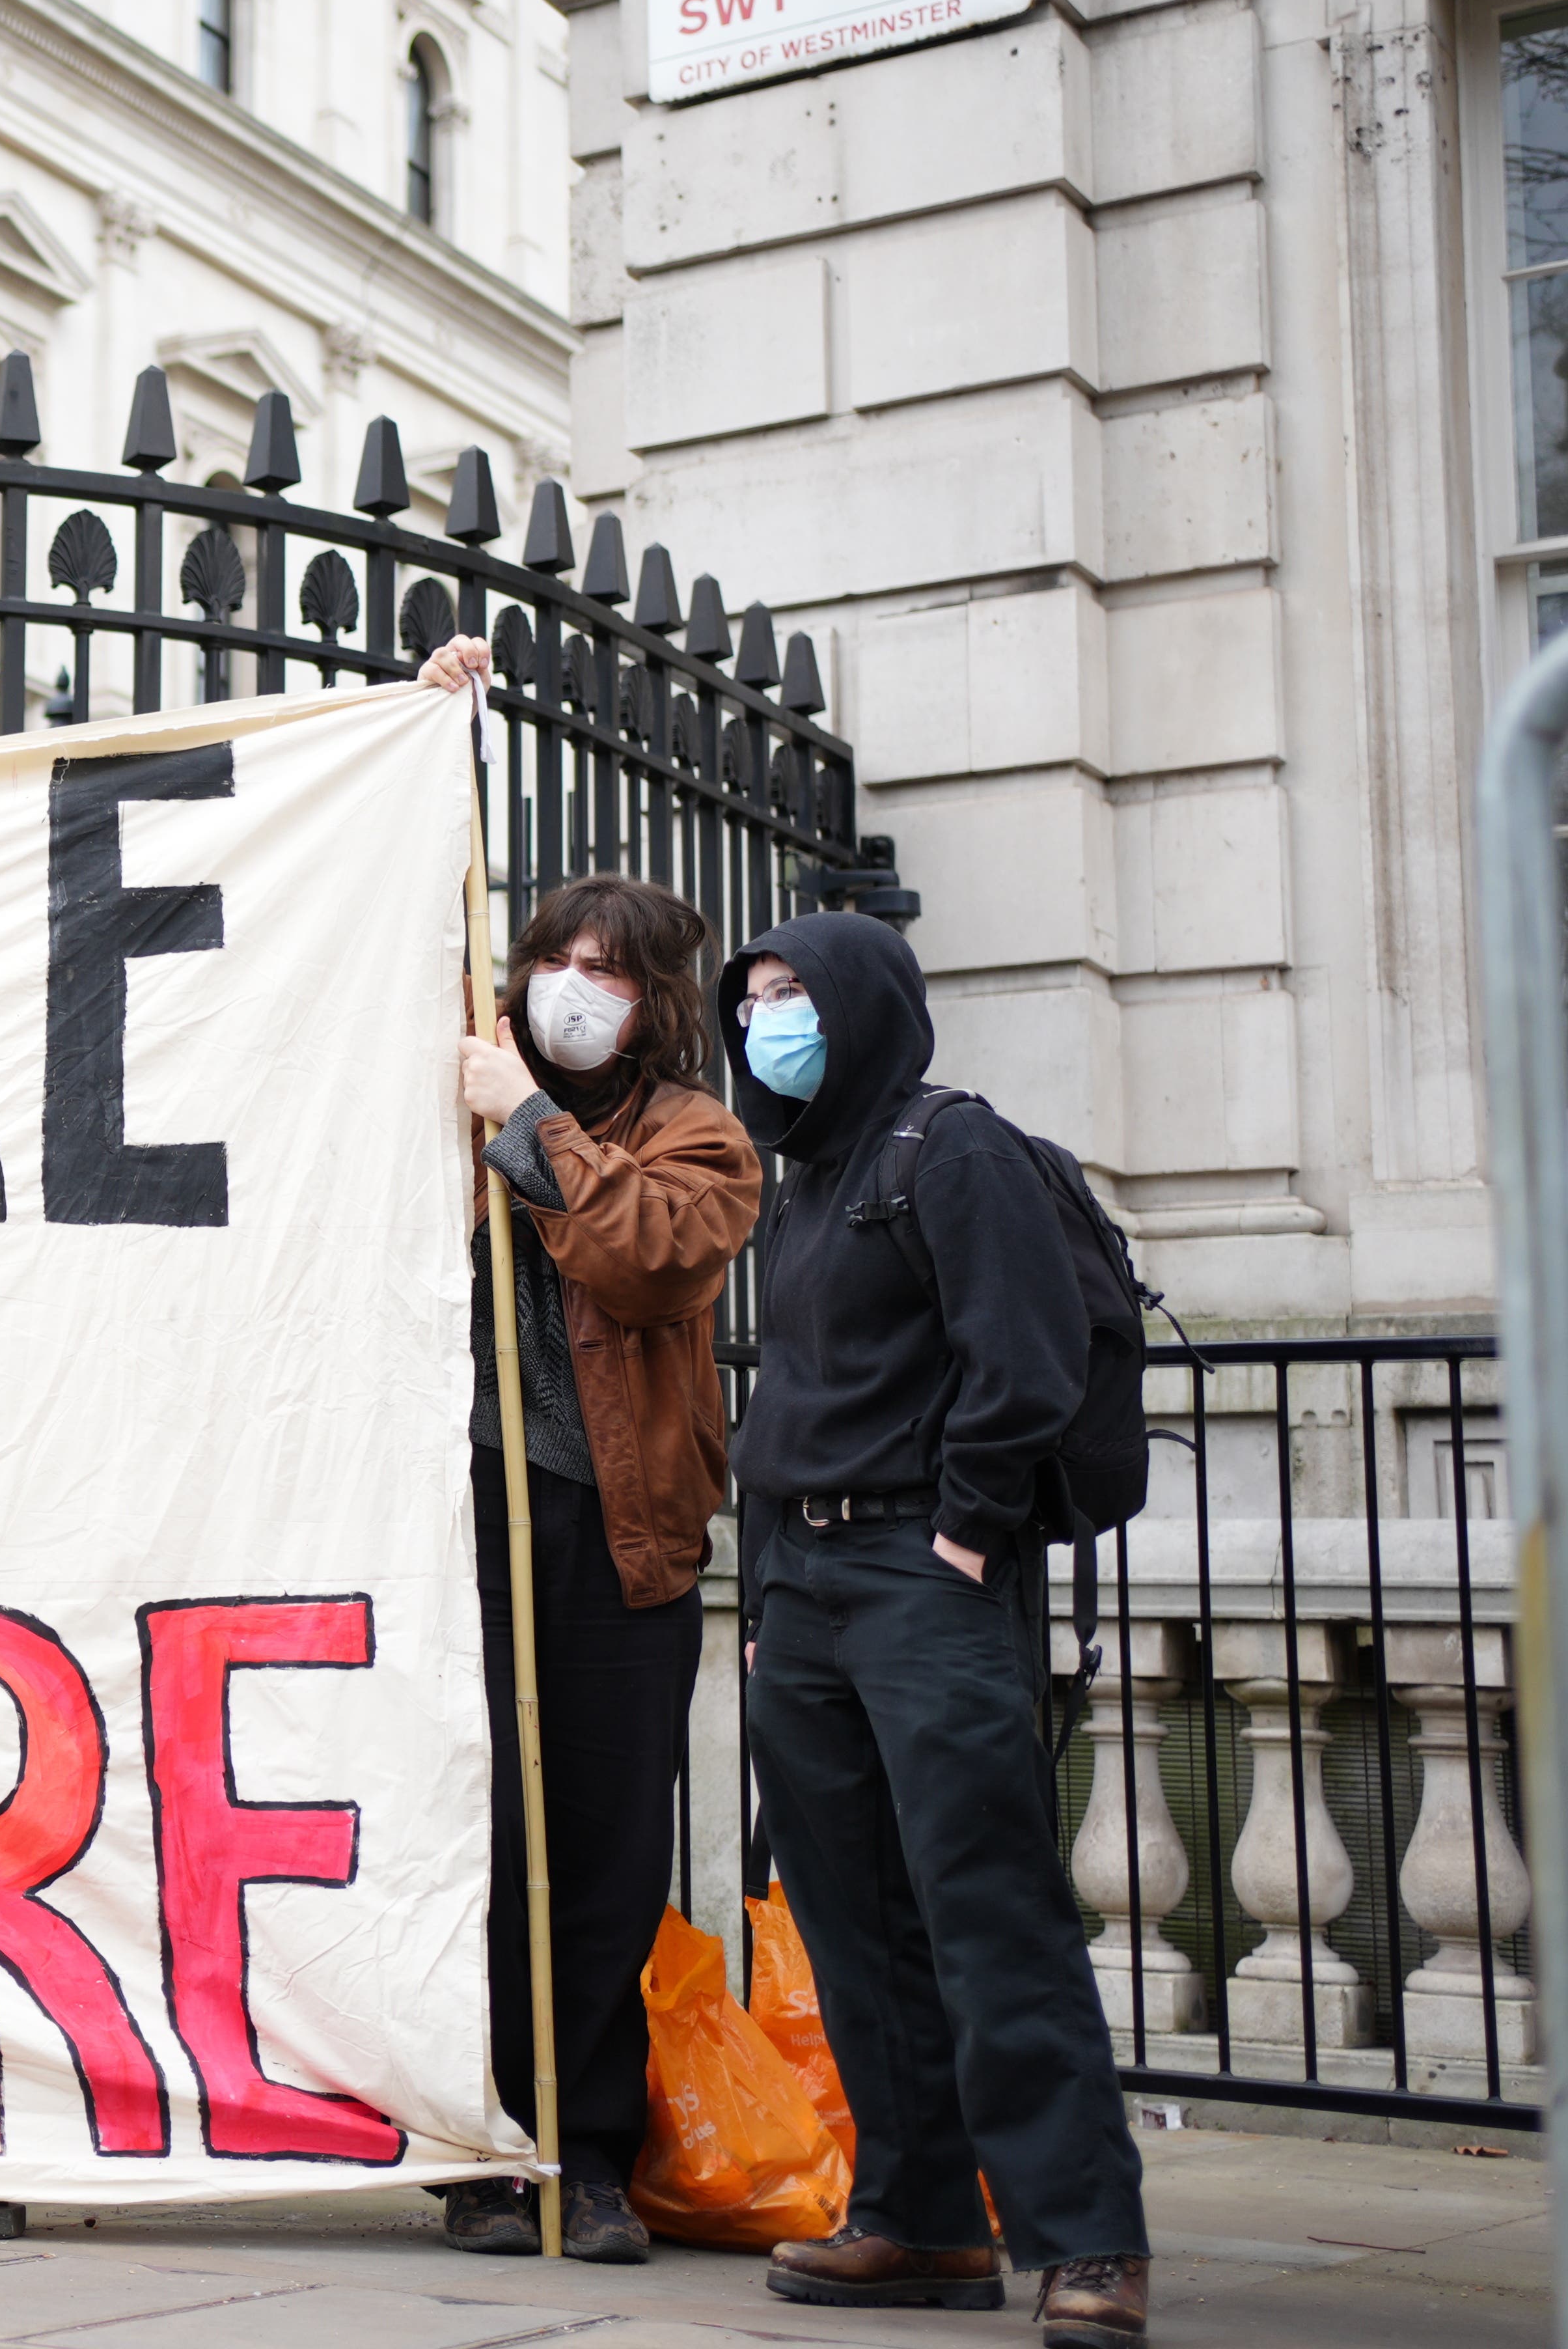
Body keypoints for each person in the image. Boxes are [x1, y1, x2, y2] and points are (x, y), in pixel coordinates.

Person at [717, 907, 1148, 2349]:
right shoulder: (807, 1177)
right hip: (808, 1591)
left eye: (795, 992)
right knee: (855, 1916)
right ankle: (919, 2215)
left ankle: (1086, 2236)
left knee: (987, 1905)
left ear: (866, 1002)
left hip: (926, 1572)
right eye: (757, 994)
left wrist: (962, 1526)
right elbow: (794, 1401)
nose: (771, 1014)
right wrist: (775, 1586)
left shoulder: (947, 1147)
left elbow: (1021, 1358)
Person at [428, 859, 759, 2263]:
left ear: (653, 1001)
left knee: (609, 1853)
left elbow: (652, 1257)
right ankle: (493, 2147)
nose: (575, 983)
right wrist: (438, 712)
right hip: (466, 1520)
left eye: (610, 968)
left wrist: (533, 1131)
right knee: (488, 1838)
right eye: (558, 953)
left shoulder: (701, 1135)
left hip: (621, 1542)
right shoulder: (451, 1078)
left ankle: (595, 2149)